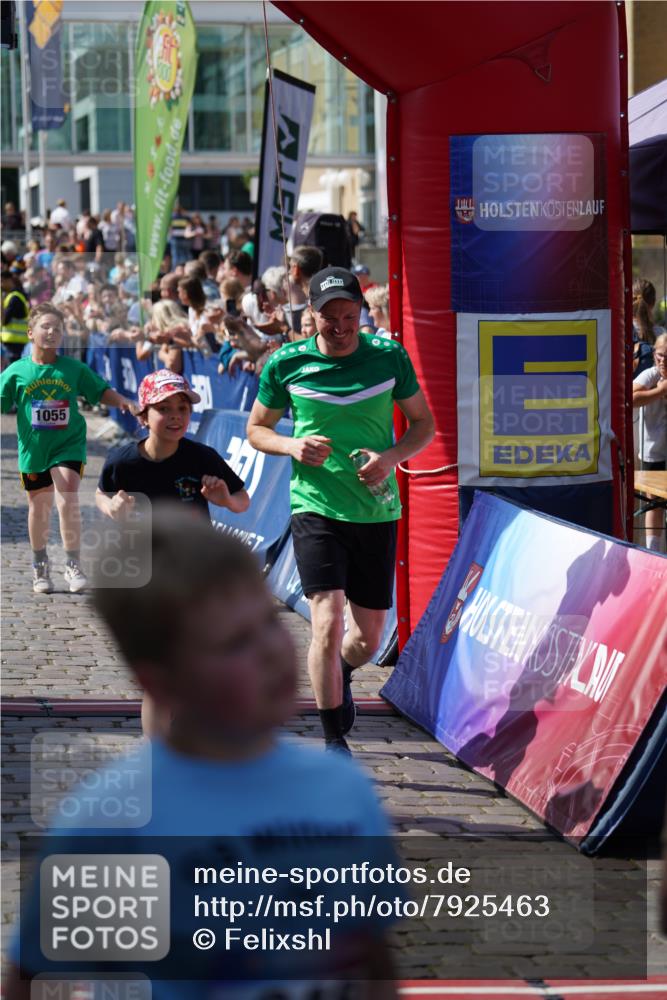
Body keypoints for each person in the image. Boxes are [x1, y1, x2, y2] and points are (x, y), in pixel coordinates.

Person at [5, 506, 400, 998]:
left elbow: (371, 954)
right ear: (160, 680)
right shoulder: (115, 820)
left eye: (268, 623)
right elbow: (33, 974)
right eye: (234, 642)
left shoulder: (342, 788)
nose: (270, 651)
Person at [247, 266, 435, 753]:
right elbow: (256, 430)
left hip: (375, 509)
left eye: (350, 316)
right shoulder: (286, 363)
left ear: (361, 312)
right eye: (330, 317)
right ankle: (334, 739)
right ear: (311, 314)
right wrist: (291, 446)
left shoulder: (389, 357)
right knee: (327, 621)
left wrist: (390, 457)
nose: (341, 326)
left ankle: (342, 674)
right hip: (315, 506)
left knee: (368, 641)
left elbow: (422, 426)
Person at [0, 302, 136, 593]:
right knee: (39, 506)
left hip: (69, 445)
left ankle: (73, 564)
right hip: (34, 450)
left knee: (67, 496)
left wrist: (122, 401)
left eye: (57, 328)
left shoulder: (73, 369)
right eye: (45, 327)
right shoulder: (16, 372)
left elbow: (100, 391)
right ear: (31, 333)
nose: (51, 332)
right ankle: (40, 565)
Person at [633, 332, 667, 552]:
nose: (662, 361)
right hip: (653, 450)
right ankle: (652, 550)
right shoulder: (650, 375)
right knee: (653, 502)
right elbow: (632, 397)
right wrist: (660, 391)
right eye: (659, 355)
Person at [1, 270, 30, 363]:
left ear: (9, 280)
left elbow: (4, 320)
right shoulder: (13, 296)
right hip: (13, 343)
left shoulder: (15, 298)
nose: (0, 285)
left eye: (1, 281)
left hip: (15, 343)